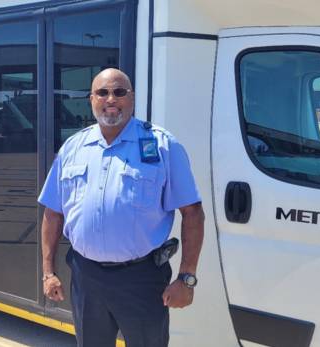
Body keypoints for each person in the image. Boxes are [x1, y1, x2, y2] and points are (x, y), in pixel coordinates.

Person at [38, 68, 205, 347]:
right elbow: (53, 212)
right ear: (91, 99)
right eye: (102, 92)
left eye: (119, 92)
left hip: (140, 279)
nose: (111, 99)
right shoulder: (73, 148)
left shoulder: (163, 145)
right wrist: (48, 271)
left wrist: (186, 278)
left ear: (132, 98)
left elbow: (193, 214)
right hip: (86, 277)